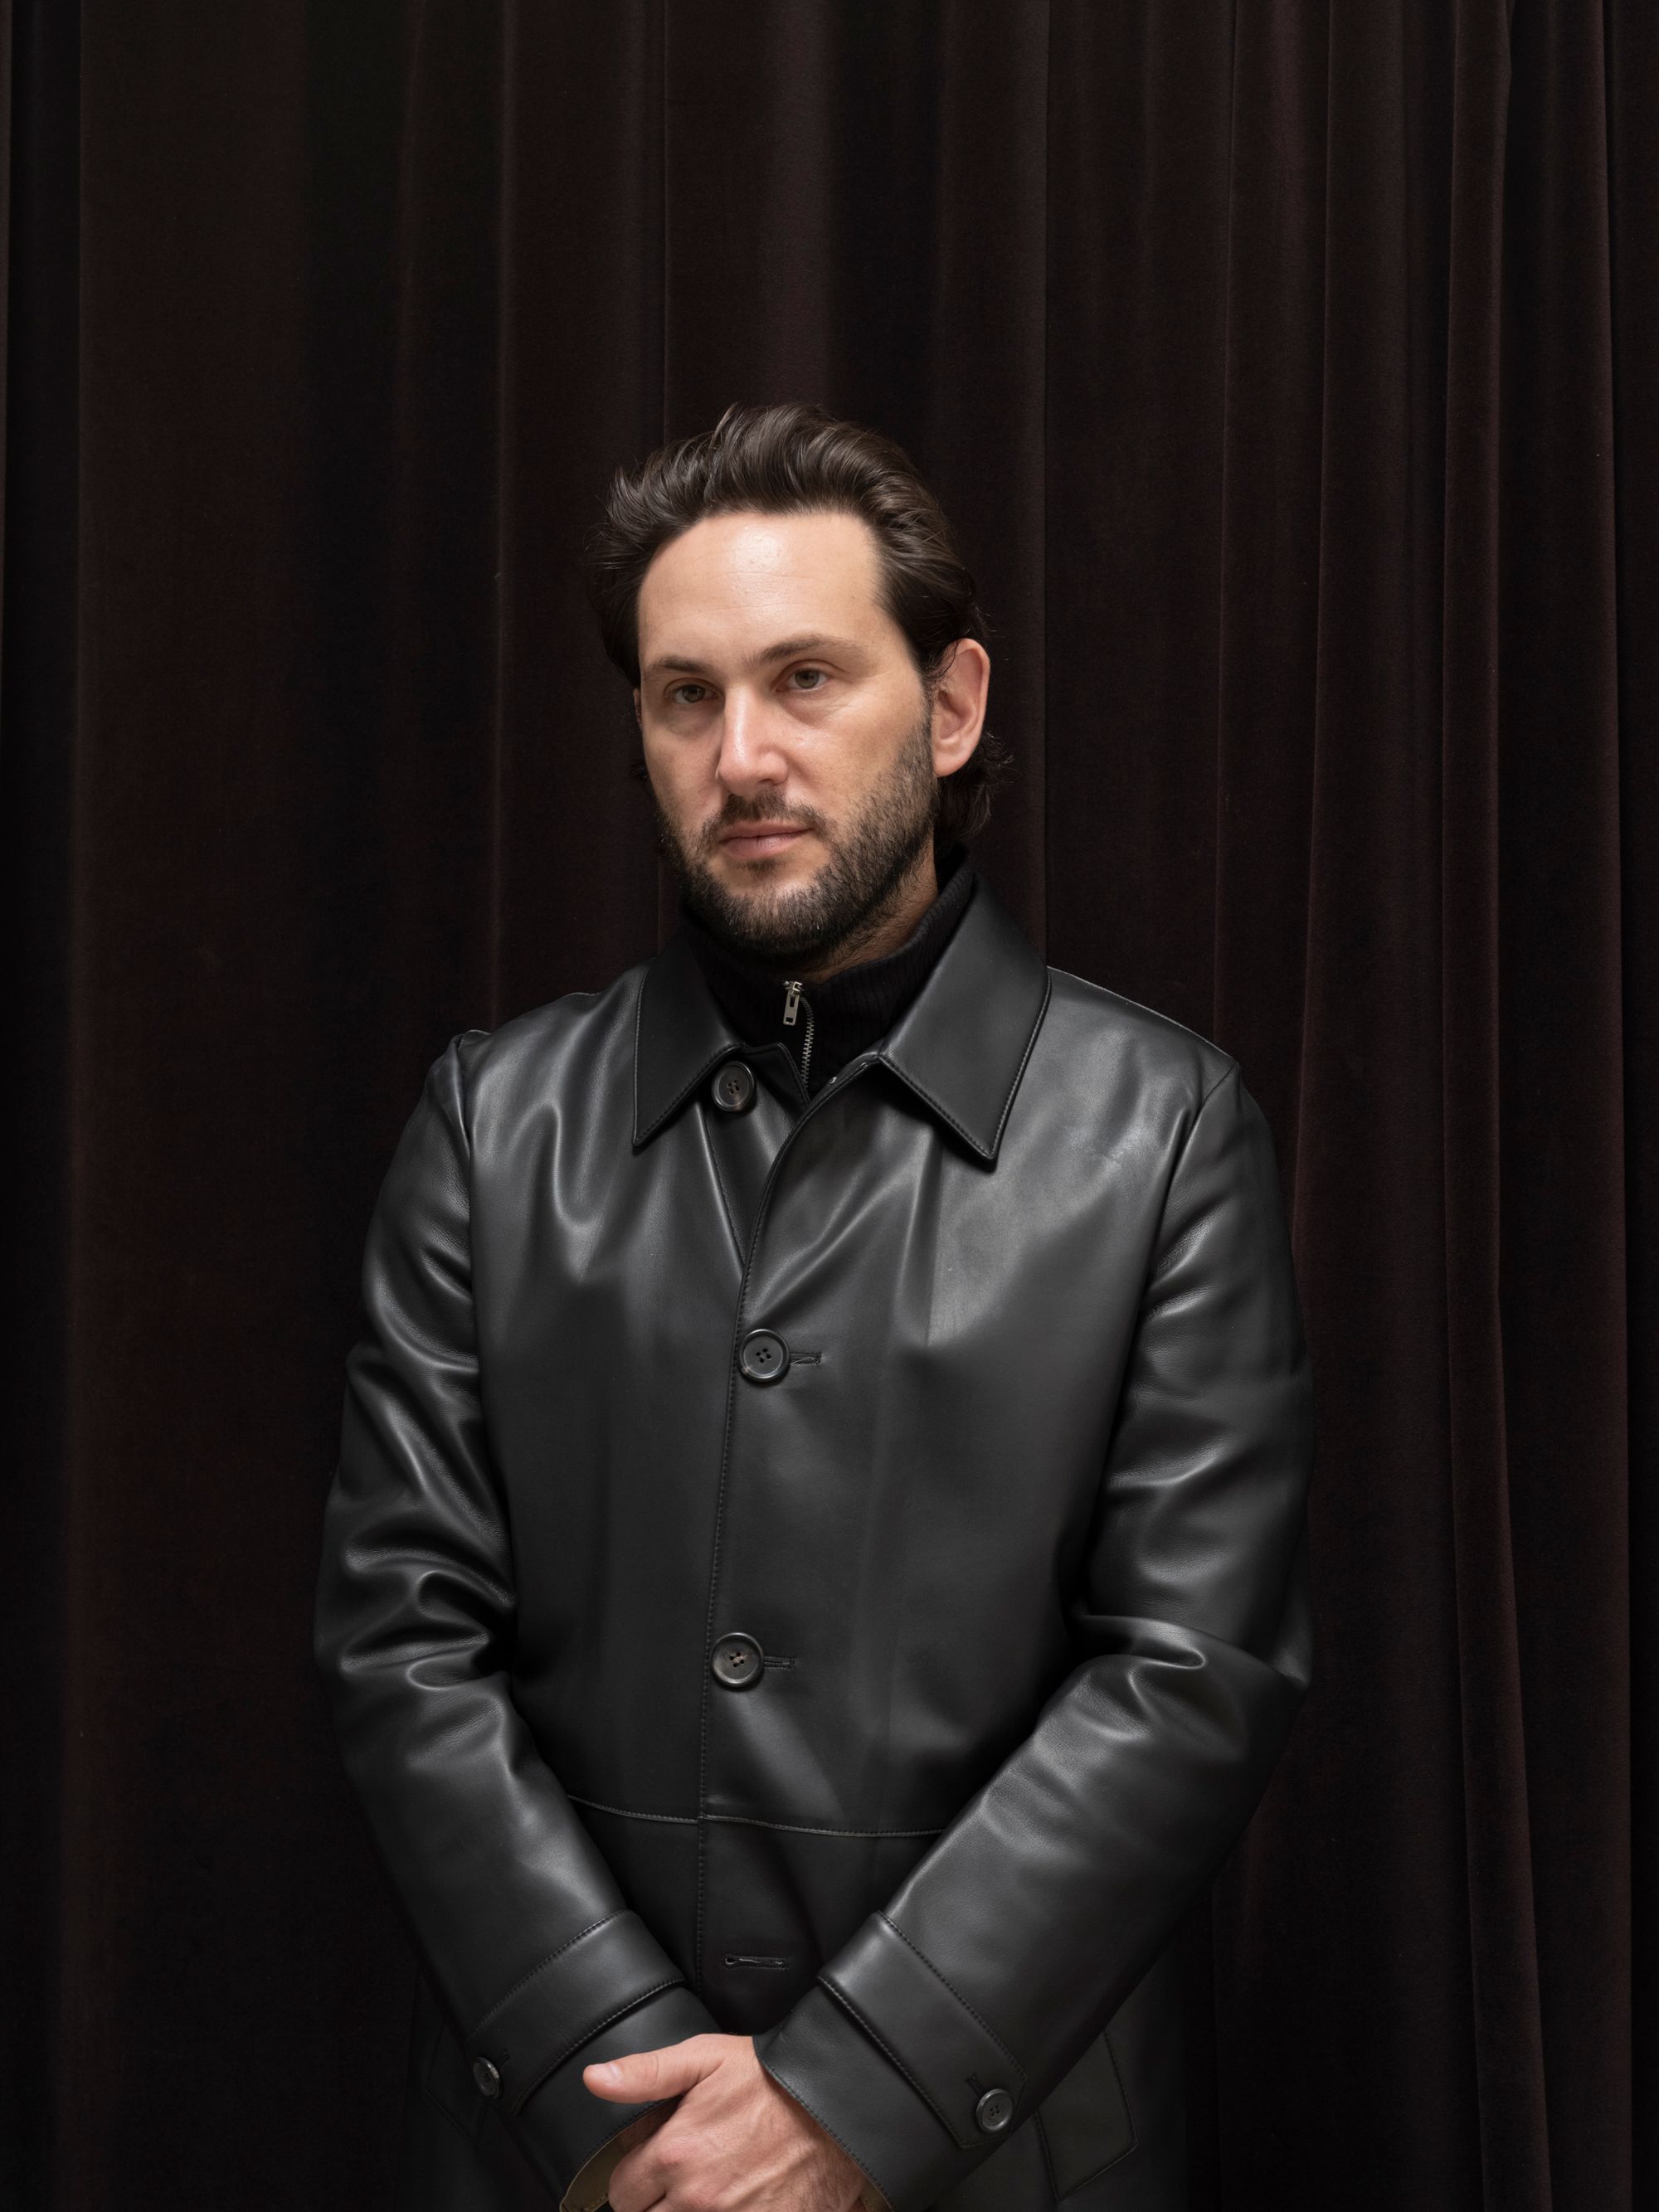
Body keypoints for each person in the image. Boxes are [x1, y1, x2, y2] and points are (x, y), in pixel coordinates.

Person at [314, 401, 1314, 2212]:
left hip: (1010, 2159)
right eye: (683, 696)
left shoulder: (1162, 1133)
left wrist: (849, 2096)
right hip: (579, 2158)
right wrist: (626, 2094)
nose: (742, 755)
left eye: (804, 679)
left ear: (951, 706)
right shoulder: (493, 1123)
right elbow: (402, 1641)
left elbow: (1192, 1674)